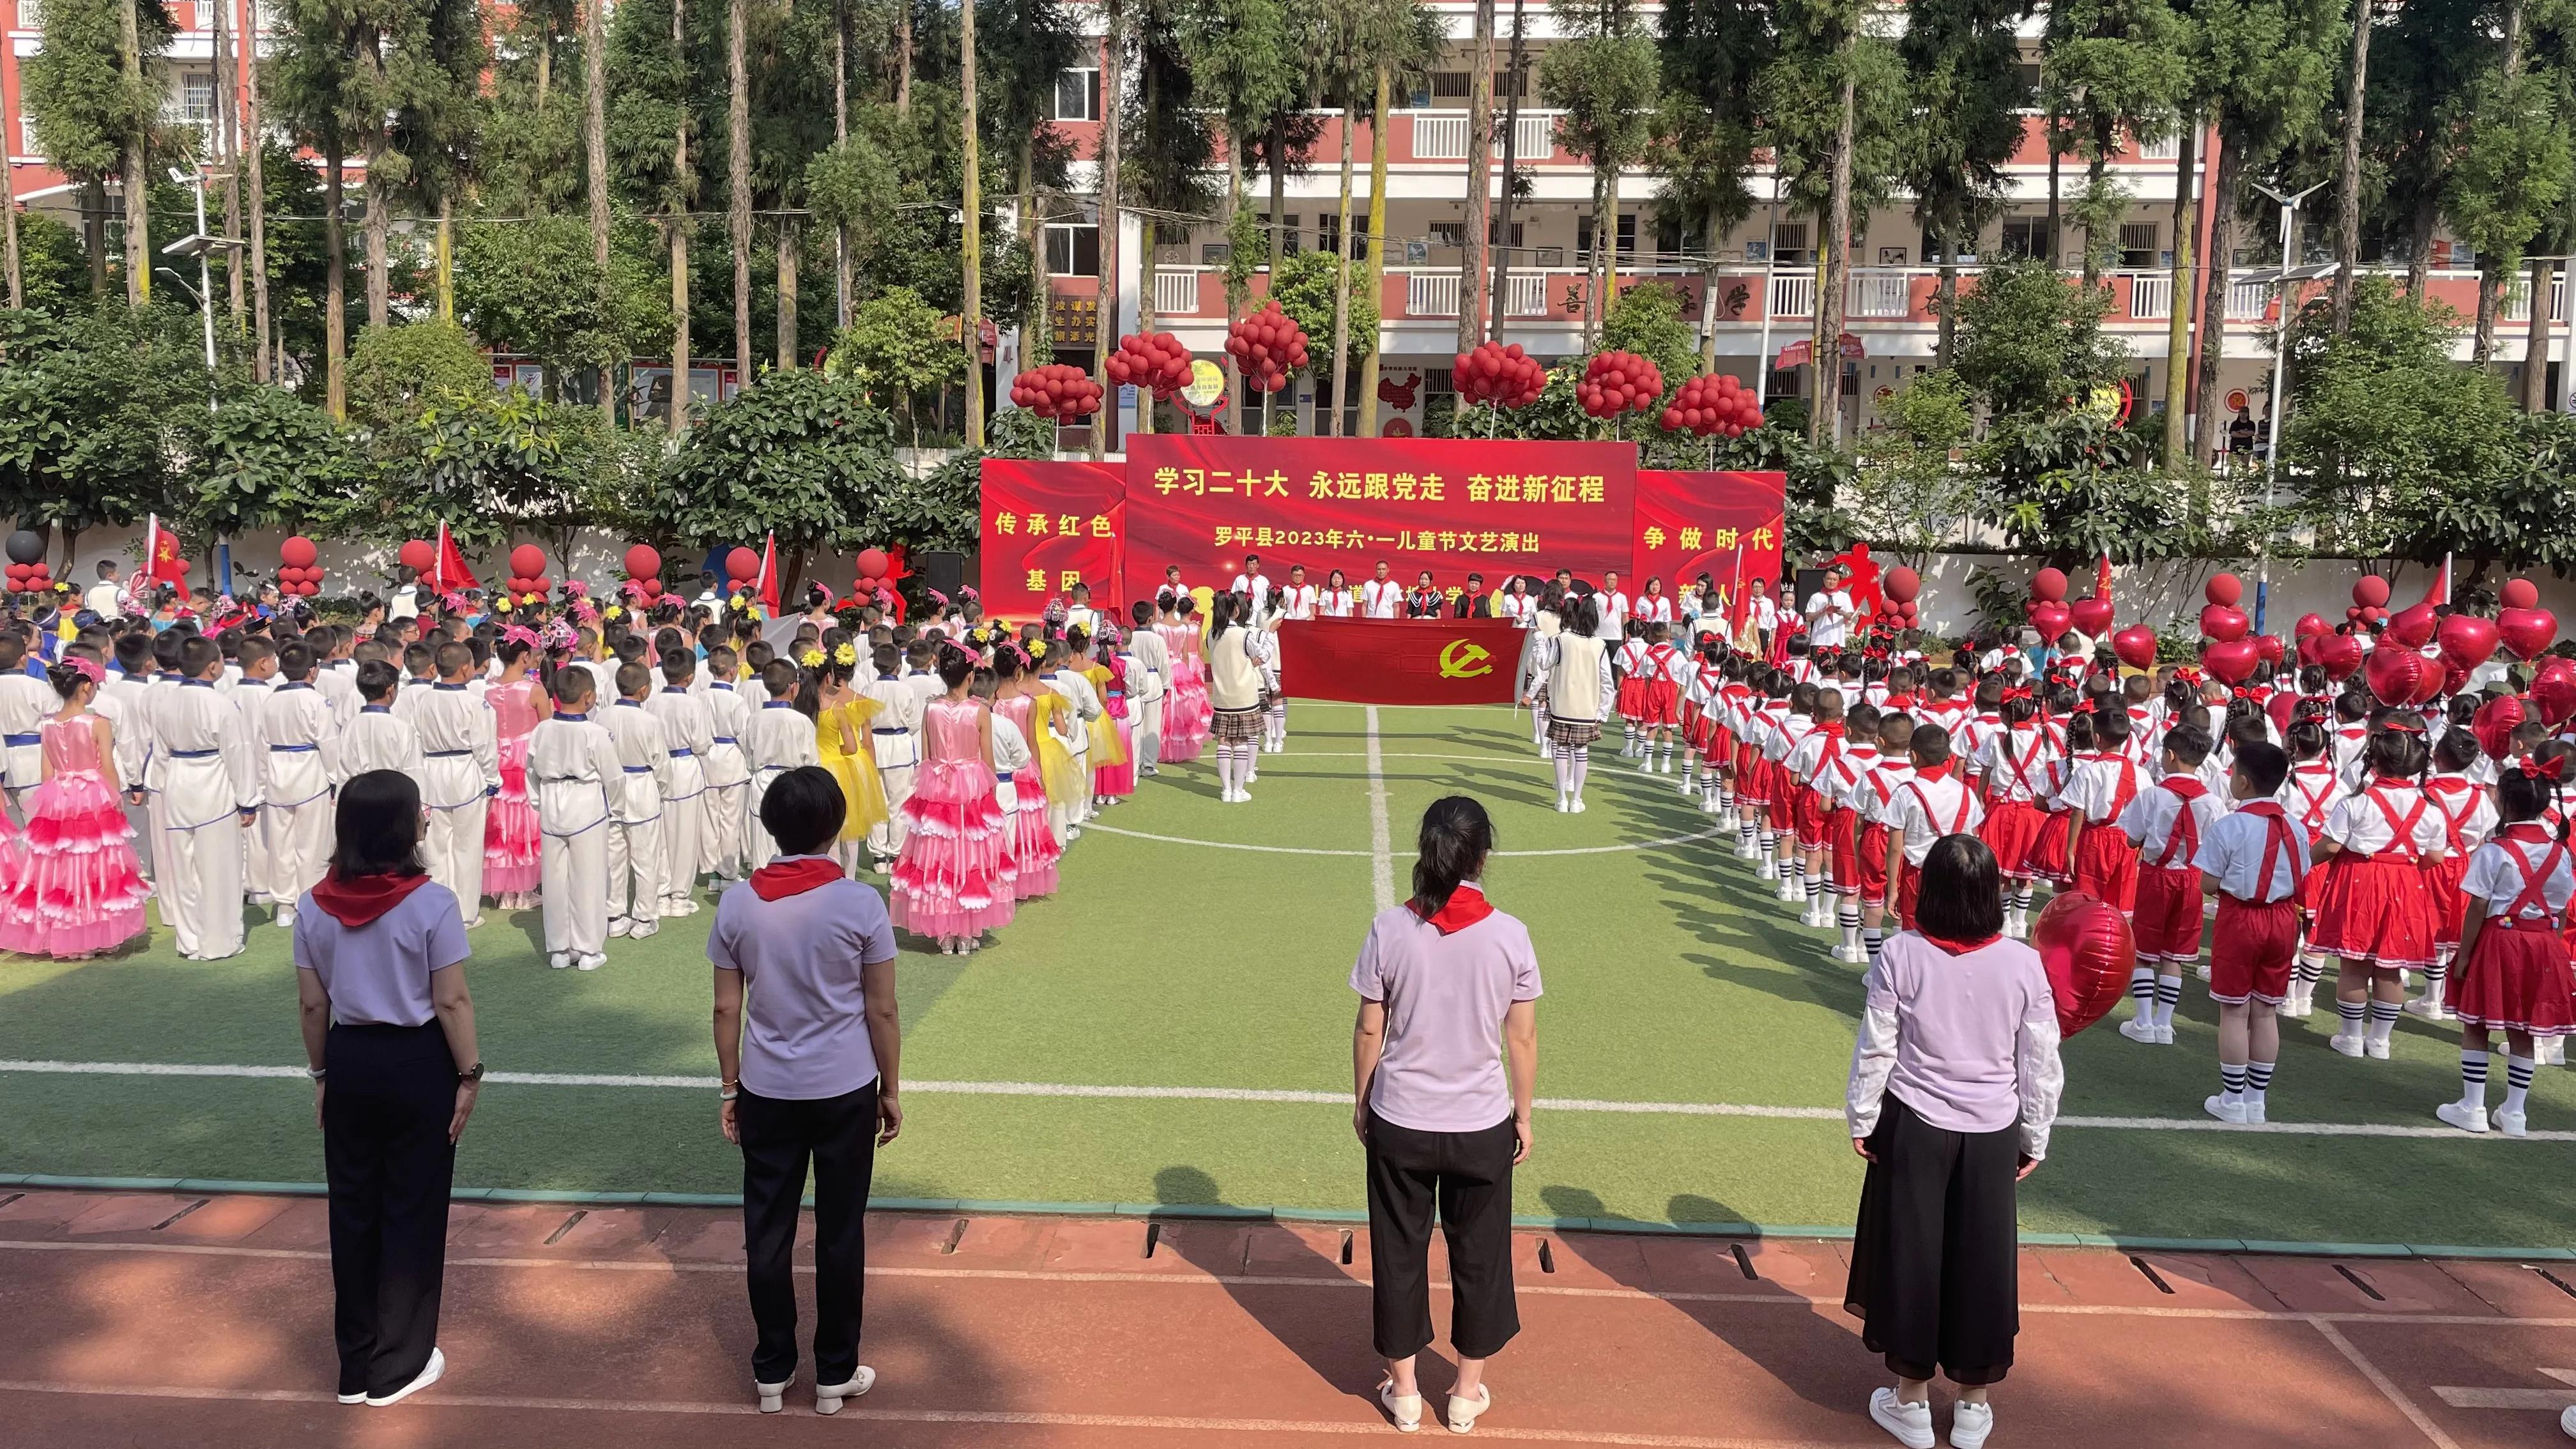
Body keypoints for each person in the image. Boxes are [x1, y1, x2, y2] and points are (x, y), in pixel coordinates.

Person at [1844, 834, 2062, 1449]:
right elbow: (2040, 1060)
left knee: (1909, 1251)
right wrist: (2035, 1133)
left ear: (1929, 889)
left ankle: (1911, 1402)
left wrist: (1863, 1117)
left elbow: (1877, 1045)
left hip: (1914, 1122)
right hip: (1993, 1128)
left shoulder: (1900, 952)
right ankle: (1973, 1404)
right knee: (1984, 1257)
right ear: (1992, 893)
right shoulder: (2023, 963)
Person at [709, 765, 903, 1415]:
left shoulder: (738, 902)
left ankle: (772, 1371)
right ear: (834, 825)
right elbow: (882, 1011)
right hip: (845, 1084)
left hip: (767, 1086)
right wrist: (891, 1088)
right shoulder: (858, 902)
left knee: (767, 1230)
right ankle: (834, 1374)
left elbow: (725, 1010)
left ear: (772, 825)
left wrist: (730, 1086)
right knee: (840, 1232)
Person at [1350, 796, 1537, 1437]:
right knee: (1480, 1256)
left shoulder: (1390, 929)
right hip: (1480, 1121)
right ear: (1483, 855)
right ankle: (1464, 1395)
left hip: (1400, 1116)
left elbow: (1371, 1024)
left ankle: (1403, 1394)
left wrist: (1362, 1100)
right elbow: (1523, 1039)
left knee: (1398, 1253)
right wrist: (1525, 1116)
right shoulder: (1510, 935)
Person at [294, 769, 481, 1409]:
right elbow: (451, 1000)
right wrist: (470, 1073)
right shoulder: (432, 903)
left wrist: (323, 1075)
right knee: (414, 1206)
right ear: (405, 827)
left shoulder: (313, 903)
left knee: (353, 1210)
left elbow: (312, 1006)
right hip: (417, 1060)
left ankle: (355, 1363)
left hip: (351, 1057)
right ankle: (398, 1363)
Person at [2435, 756, 2575, 1136]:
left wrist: (2463, 955)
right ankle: (2515, 1113)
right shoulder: (2560, 852)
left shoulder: (2494, 851)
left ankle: (2473, 1106)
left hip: (2499, 942)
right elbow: (2561, 909)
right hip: (2543, 944)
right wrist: (2553, 945)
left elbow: (2477, 906)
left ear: (2506, 805)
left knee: (2477, 1022)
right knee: (2524, 1028)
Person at [2308, 727, 2446, 1059]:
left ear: (2375, 761)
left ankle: (2351, 1037)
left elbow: (2329, 846)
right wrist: (2405, 866)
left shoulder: (2356, 801)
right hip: (2406, 883)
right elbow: (2437, 857)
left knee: (2354, 964)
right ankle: (2380, 1040)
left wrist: (2305, 862)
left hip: (2359, 882)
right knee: (2391, 967)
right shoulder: (2431, 808)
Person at [0, 652, 142, 957]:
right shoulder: (98, 723)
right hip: (93, 795)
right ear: (85, 688)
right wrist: (114, 800)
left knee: (61, 864)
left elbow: (46, 771)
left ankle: (69, 934)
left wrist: (51, 799)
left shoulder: (47, 725)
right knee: (95, 862)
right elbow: (107, 767)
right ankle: (95, 930)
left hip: (59, 796)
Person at [2198, 740, 2308, 1124]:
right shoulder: (2297, 826)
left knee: (2233, 1010)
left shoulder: (2229, 825)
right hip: (2282, 920)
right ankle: (2256, 1100)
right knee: (2265, 1011)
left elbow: (2208, 885)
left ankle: (2232, 1099)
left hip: (2242, 918)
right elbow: (2302, 876)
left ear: (2243, 782)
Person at [889, 644, 1013, 952]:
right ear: (970, 677)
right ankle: (967, 930)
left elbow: (928, 755)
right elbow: (988, 760)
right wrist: (990, 795)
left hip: (938, 784)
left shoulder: (931, 709)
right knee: (970, 854)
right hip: (972, 784)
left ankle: (945, 932)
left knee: (940, 855)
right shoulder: (980, 710)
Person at [2117, 724, 2225, 1045]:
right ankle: (2164, 1024)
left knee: (2145, 951)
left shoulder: (2152, 795)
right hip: (2193, 879)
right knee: (2174, 955)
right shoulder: (2214, 803)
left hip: (2156, 876)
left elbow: (2132, 838)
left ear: (2170, 755)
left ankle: (2144, 1020)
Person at [527, 667, 622, 972]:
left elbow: (531, 771)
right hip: (586, 806)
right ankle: (589, 949)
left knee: (555, 880)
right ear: (589, 696)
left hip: (553, 802)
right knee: (589, 879)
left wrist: (539, 802)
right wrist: (616, 809)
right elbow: (614, 778)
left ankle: (559, 948)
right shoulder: (595, 733)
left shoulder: (542, 730)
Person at [1205, 593, 1266, 803]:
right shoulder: (1244, 634)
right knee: (1240, 741)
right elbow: (1261, 654)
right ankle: (1238, 790)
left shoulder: (1211, 634)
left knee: (1223, 741)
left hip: (1222, 696)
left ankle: (1226, 790)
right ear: (1236, 610)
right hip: (1244, 695)